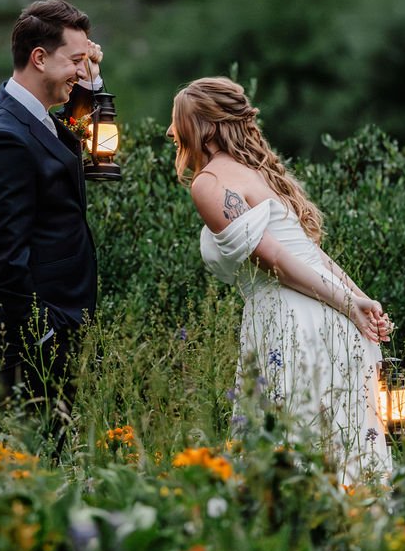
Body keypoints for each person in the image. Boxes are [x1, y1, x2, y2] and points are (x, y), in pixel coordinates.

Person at [167, 76, 393, 483]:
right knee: (336, 444)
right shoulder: (258, 174)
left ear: (205, 126)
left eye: (179, 121)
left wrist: (355, 303)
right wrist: (358, 300)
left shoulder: (210, 183)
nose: (172, 132)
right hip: (329, 316)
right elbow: (312, 255)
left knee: (288, 446)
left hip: (289, 319)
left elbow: (278, 262)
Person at [0, 0, 103, 420]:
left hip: (66, 323)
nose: (82, 71)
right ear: (40, 58)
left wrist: (91, 89)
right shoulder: (4, 135)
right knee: (37, 462)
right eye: (76, 60)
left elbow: (102, 159)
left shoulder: (45, 118)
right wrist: (40, 334)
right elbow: (5, 256)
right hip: (36, 338)